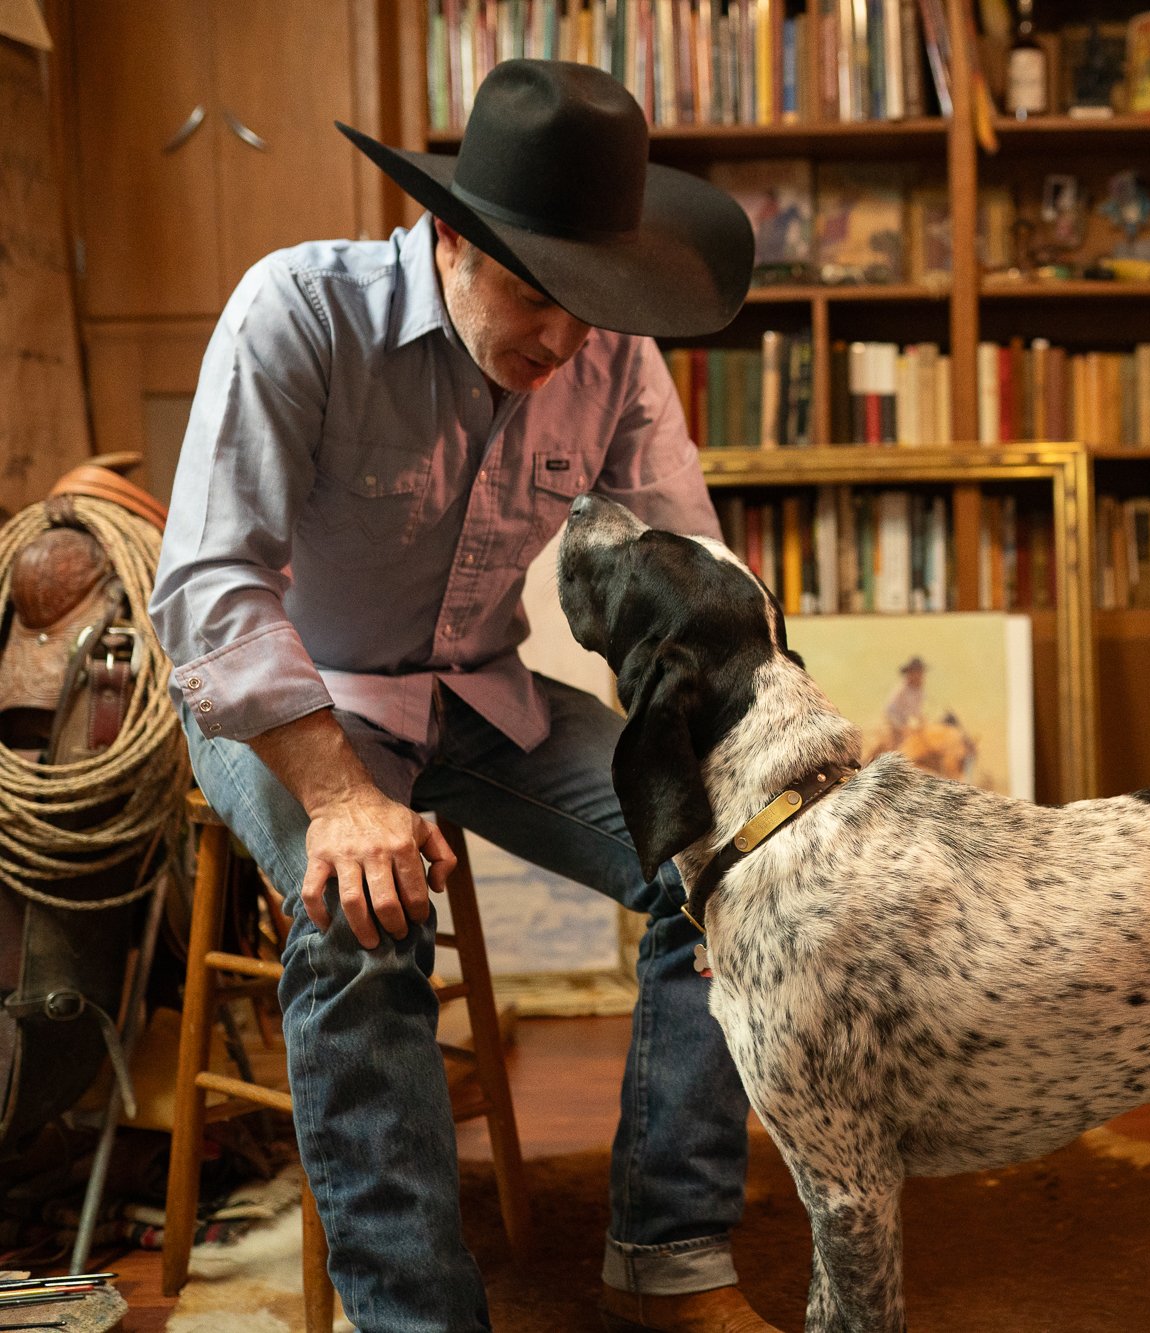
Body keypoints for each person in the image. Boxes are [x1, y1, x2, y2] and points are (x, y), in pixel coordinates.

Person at [149, 60, 777, 1333]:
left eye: (593, 308)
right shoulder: (298, 312)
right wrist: (337, 795)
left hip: (482, 698)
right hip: (289, 704)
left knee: (727, 857)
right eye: (539, 293)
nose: (565, 340)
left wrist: (779, 750)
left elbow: (679, 573)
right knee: (363, 914)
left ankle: (668, 1254)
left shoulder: (607, 357)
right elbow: (211, 588)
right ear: (448, 232)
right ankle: (419, 1320)